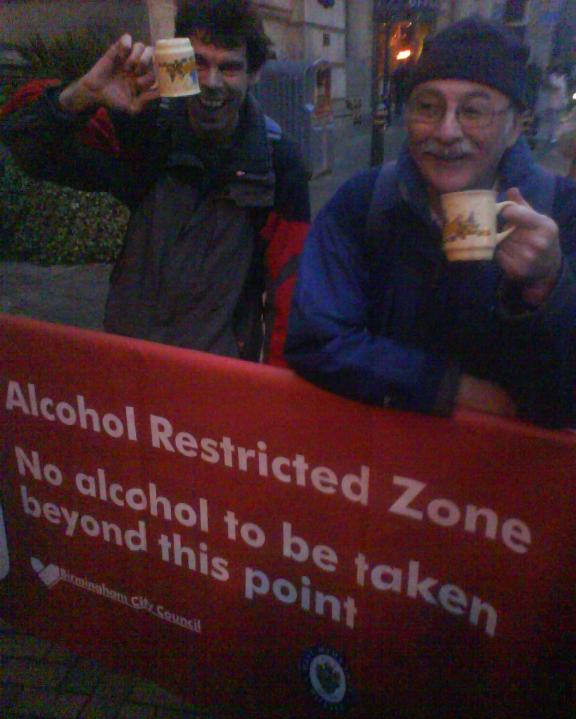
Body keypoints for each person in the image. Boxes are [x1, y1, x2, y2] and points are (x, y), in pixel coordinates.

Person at [285, 17, 576, 430]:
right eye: (427, 107)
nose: (446, 131)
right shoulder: (365, 200)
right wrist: (446, 386)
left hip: (505, 466)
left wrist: (548, 285)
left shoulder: (563, 212)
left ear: (515, 126)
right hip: (381, 458)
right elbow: (316, 339)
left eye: (473, 111)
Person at [0, 0, 310, 366]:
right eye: (198, 63)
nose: (211, 83)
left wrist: (269, 391)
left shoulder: (278, 164)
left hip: (215, 379)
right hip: (130, 370)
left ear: (253, 74)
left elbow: (290, 297)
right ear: (176, 62)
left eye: (229, 67)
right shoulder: (145, 127)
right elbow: (24, 142)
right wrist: (84, 93)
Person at [535, 63, 568, 147]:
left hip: (560, 102)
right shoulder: (552, 77)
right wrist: (554, 88)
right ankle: (542, 137)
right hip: (550, 102)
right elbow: (549, 86)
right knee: (547, 120)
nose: (561, 70)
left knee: (555, 121)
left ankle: (552, 137)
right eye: (559, 69)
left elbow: (563, 90)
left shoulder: (563, 78)